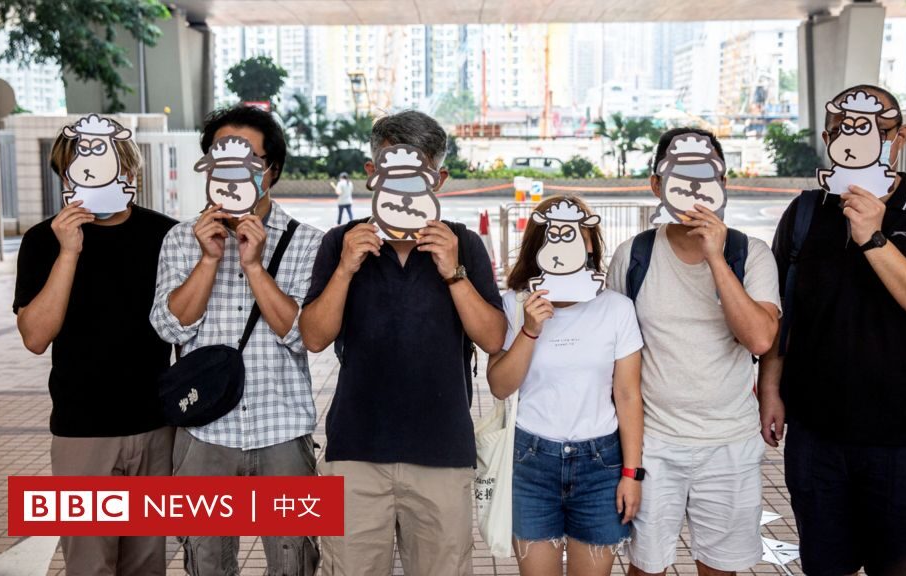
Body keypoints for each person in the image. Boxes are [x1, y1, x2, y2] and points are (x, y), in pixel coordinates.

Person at [757, 84, 906, 576]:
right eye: (843, 130)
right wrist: (769, 388)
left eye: (875, 130)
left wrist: (874, 238)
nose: (856, 140)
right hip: (817, 436)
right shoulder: (806, 212)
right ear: (827, 139)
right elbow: (783, 311)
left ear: (900, 138)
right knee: (824, 564)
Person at [299, 110, 506, 576]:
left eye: (419, 174)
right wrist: (346, 268)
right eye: (392, 172)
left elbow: (493, 337)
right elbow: (313, 337)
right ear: (372, 173)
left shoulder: (464, 244)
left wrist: (453, 271)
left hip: (443, 451)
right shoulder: (341, 241)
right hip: (354, 449)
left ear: (440, 179)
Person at [150, 104, 324, 576]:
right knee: (206, 561)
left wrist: (254, 266)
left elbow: (303, 335)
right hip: (204, 432)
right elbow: (170, 327)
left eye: (246, 161)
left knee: (292, 560)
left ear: (272, 171)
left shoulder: (307, 241)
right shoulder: (181, 239)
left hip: (282, 428)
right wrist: (208, 260)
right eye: (220, 159)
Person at [608, 128, 781, 576]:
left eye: (706, 177)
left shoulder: (750, 253)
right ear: (656, 185)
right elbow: (612, 353)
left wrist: (716, 258)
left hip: (729, 442)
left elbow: (760, 339)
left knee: (720, 568)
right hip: (652, 442)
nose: (694, 189)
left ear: (723, 183)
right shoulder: (633, 256)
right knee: (645, 567)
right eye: (679, 177)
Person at [14, 125, 177, 576]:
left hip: (155, 427)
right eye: (78, 170)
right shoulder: (42, 240)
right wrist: (68, 252)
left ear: (130, 171)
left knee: (147, 565)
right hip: (81, 431)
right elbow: (35, 337)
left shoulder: (165, 235)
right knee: (89, 565)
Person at [486, 196, 645, 576]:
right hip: (531, 460)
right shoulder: (514, 304)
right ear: (537, 246)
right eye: (552, 236)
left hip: (600, 463)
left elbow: (627, 396)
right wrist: (530, 330)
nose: (563, 245)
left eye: (574, 235)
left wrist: (631, 473)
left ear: (590, 243)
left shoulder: (617, 308)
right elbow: (499, 386)